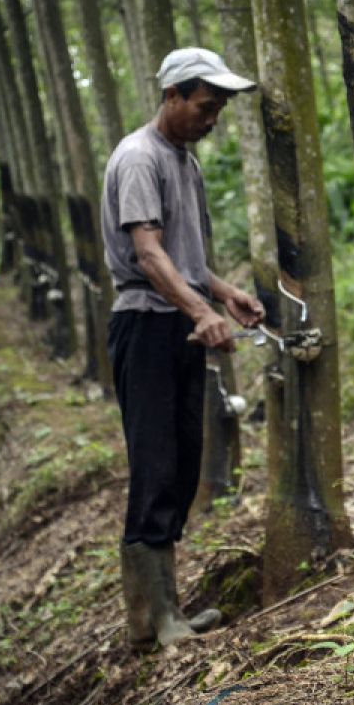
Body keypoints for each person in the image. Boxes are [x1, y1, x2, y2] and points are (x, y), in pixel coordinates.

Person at [101, 47, 265, 649]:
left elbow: (185, 261)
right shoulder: (140, 158)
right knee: (154, 461)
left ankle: (164, 611)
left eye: (219, 108)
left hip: (180, 326)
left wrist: (224, 297)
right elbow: (147, 255)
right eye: (205, 105)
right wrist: (200, 309)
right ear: (172, 96)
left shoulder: (185, 162)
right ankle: (150, 620)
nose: (212, 117)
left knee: (181, 461)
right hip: (146, 328)